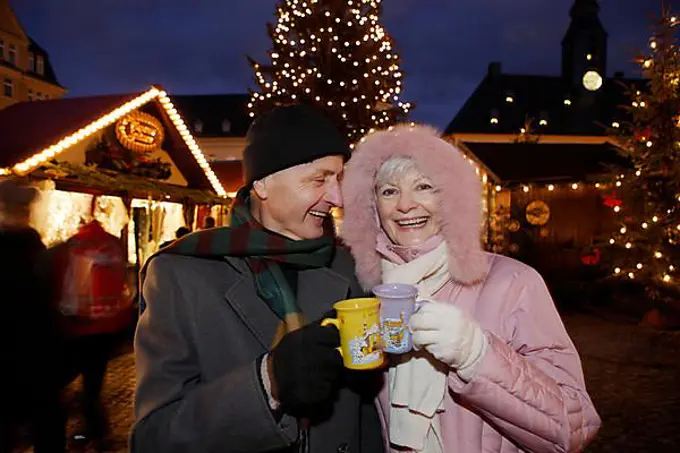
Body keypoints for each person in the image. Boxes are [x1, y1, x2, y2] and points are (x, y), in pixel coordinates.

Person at [132, 104, 383, 453]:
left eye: (338, 178)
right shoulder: (181, 275)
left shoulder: (348, 266)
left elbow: (366, 416)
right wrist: (269, 382)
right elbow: (153, 438)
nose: (336, 198)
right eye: (318, 179)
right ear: (263, 184)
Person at [340, 124, 601, 453]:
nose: (405, 205)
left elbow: (575, 430)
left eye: (424, 186)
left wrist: (477, 355)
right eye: (389, 191)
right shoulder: (371, 293)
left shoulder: (513, 282)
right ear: (373, 207)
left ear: (451, 197)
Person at [52, 218, 133, 448]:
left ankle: (88, 429)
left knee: (67, 380)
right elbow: (122, 283)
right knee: (93, 381)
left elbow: (65, 291)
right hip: (107, 326)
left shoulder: (74, 248)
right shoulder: (114, 245)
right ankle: (94, 428)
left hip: (79, 326)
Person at [0, 177, 66, 453]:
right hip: (38, 353)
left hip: (18, 354)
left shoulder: (37, 252)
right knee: (46, 423)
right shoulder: (42, 253)